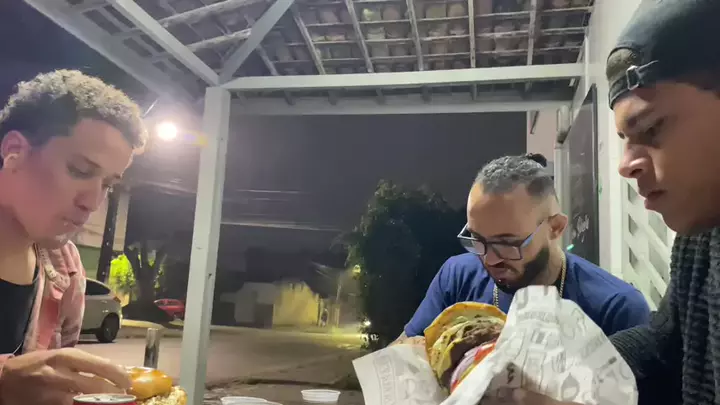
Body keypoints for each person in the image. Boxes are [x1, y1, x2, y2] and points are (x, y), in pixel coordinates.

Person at [481, 1, 720, 405]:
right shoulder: (699, 237)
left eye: (652, 128)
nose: (625, 165)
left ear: (555, 227)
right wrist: (558, 379)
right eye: (625, 140)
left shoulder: (615, 299)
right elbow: (665, 346)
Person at [0, 70, 146, 404]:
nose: (92, 202)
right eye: (80, 171)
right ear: (14, 151)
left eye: (107, 184)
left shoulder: (66, 269)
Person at [397, 153, 650, 344]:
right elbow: (405, 352)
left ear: (556, 227)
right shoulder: (457, 277)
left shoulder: (616, 309)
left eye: (507, 243)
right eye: (477, 239)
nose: (490, 259)